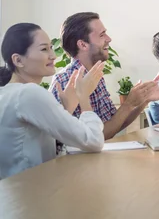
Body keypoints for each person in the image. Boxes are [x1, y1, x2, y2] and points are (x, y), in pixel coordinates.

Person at [0, 23, 105, 179]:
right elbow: (94, 141)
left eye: (51, 47)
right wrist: (83, 97)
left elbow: (36, 139)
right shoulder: (29, 93)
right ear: (18, 60)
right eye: (44, 49)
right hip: (30, 194)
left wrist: (66, 109)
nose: (53, 55)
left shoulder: (8, 92)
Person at [50, 12, 159, 139]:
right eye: (102, 35)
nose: (109, 39)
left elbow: (114, 124)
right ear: (83, 44)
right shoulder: (64, 81)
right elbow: (94, 137)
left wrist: (144, 99)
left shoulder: (95, 75)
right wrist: (128, 104)